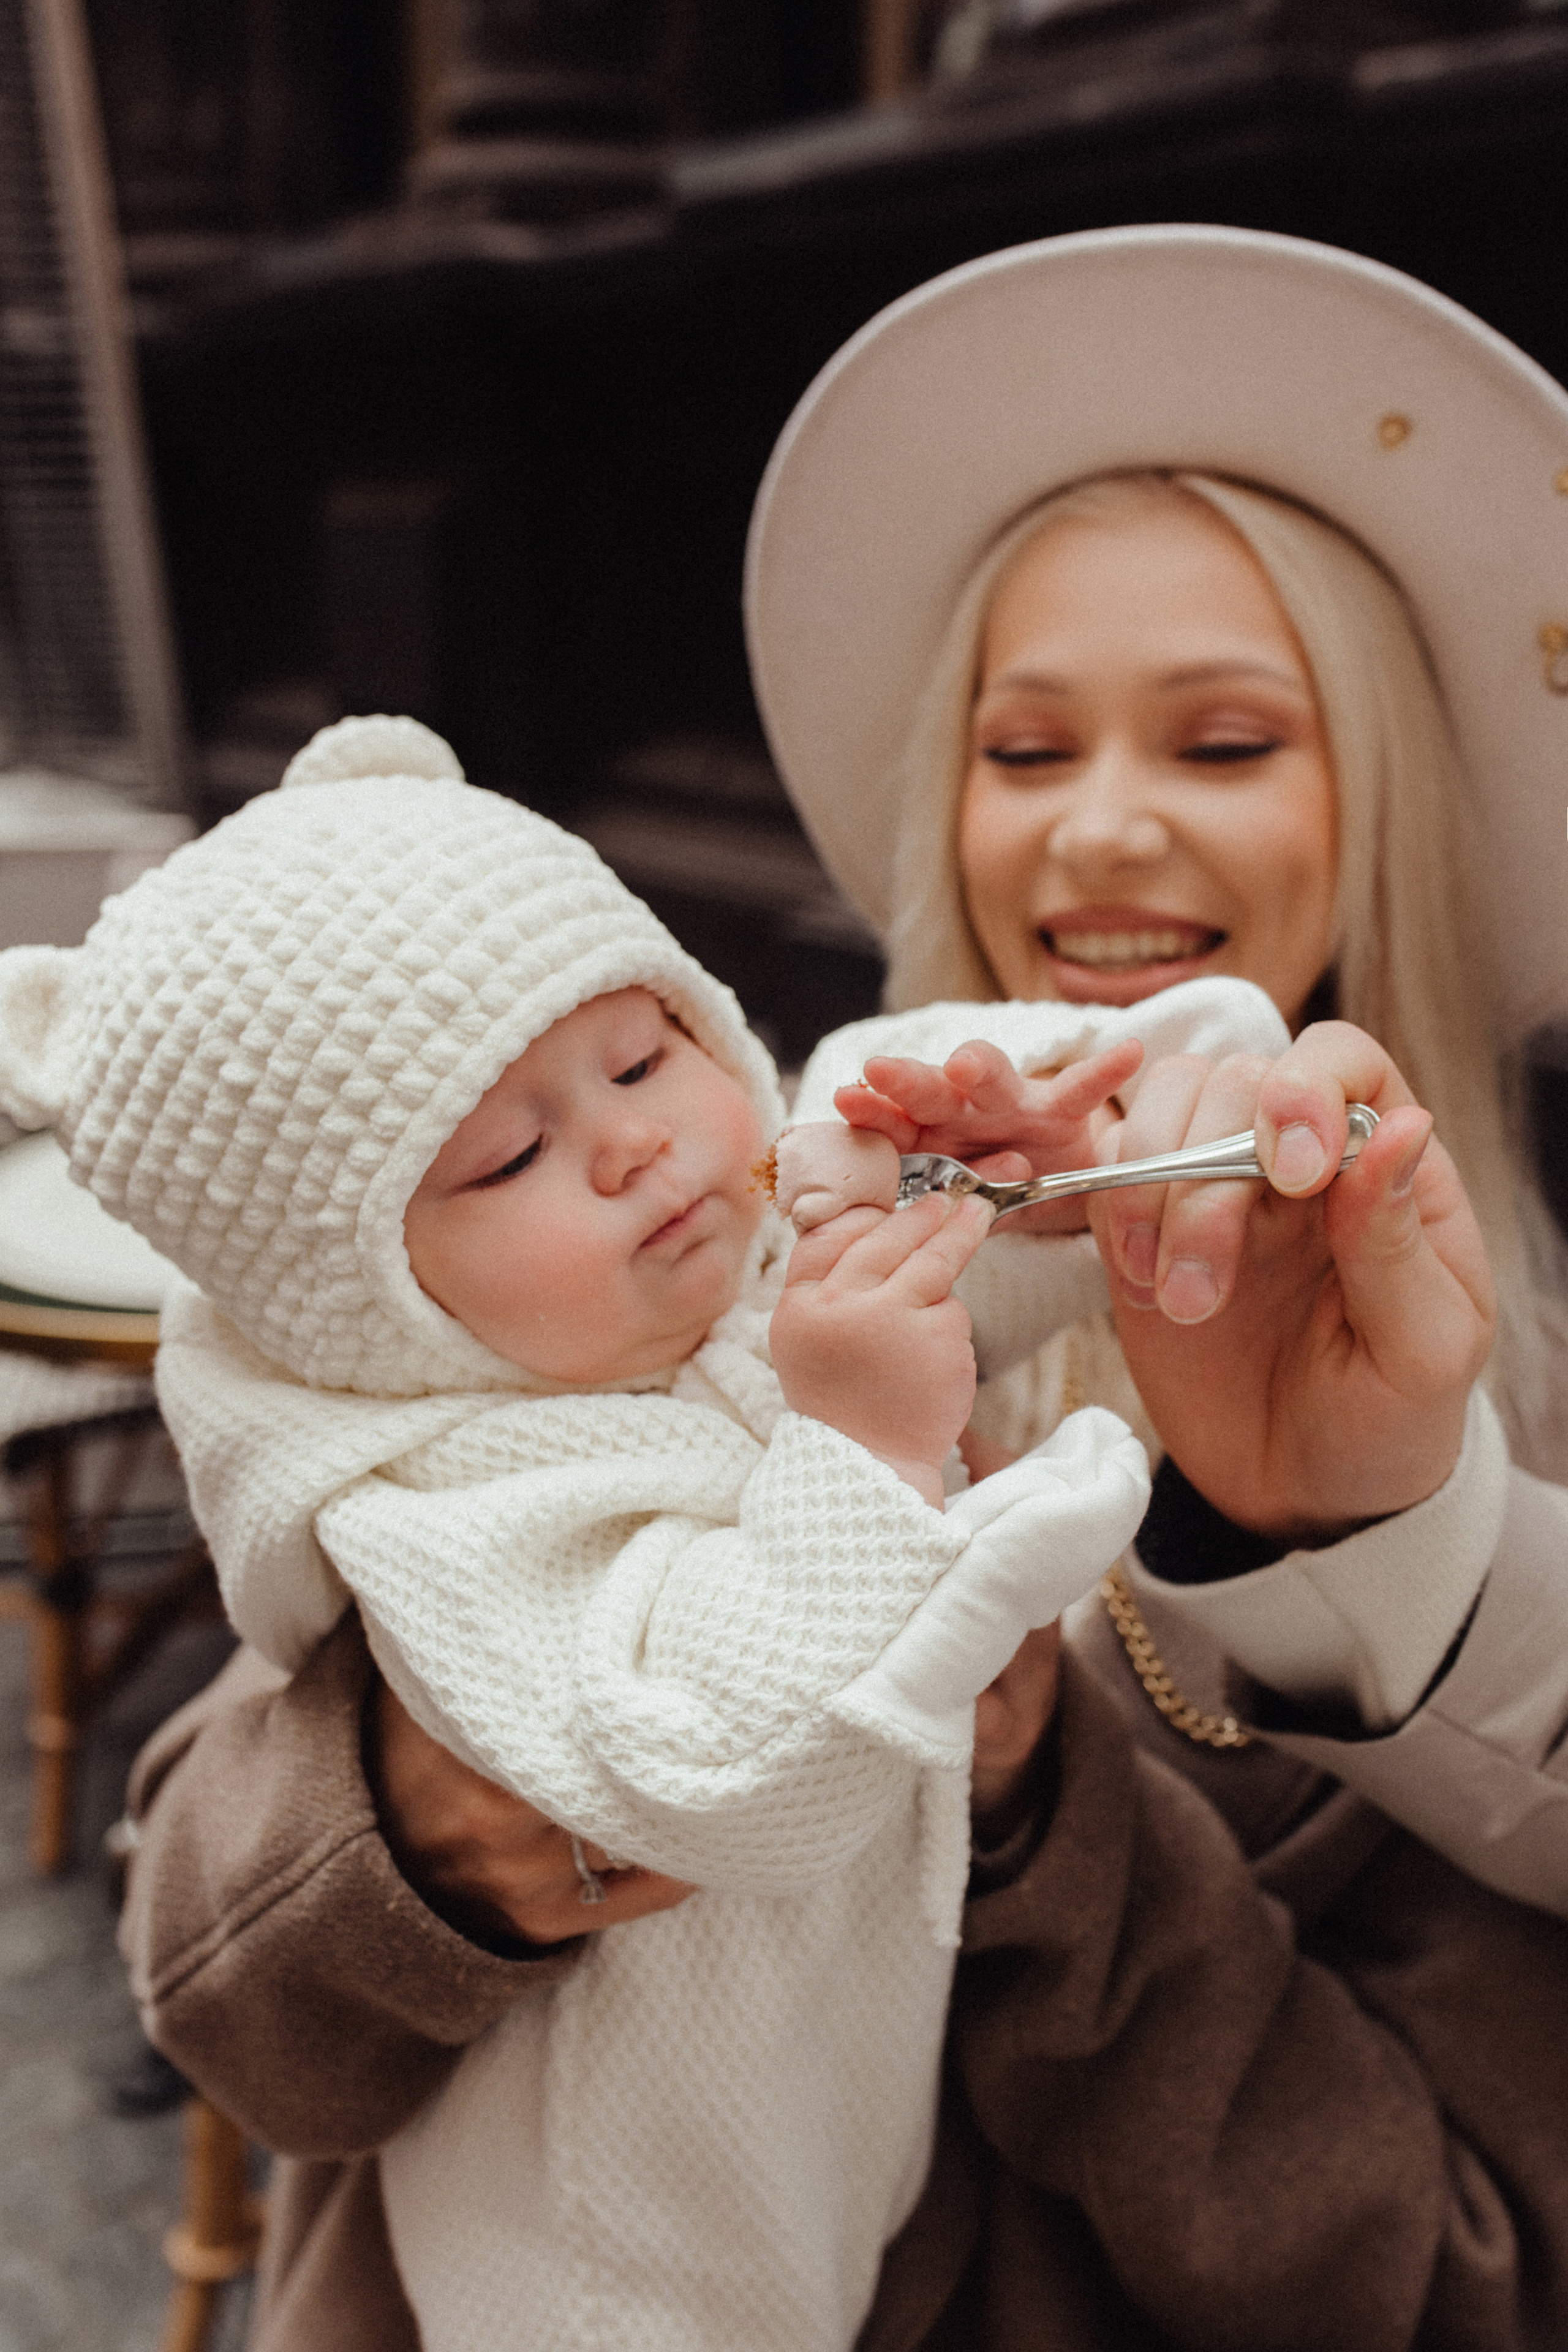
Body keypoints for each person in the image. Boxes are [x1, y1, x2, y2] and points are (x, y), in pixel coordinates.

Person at [114, 232, 1568, 2349]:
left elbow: (1441, 2280)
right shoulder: (735, 1212)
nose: (1101, 831)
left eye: (1231, 742)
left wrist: (1050, 1810)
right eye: (1025, 744)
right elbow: (225, 1990)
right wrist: (441, 1827)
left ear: (1393, 792)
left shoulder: (1507, 1391)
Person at [9, 712, 1330, 2352]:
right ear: (369, 1309)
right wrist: (857, 1452)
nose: (635, 1138)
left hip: (883, 2153)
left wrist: (1093, 1145)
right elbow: (713, 1769)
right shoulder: (444, 1504)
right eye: (506, 1157)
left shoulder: (746, 1204)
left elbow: (1103, 1081)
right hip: (628, 2263)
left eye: (643, 1055)